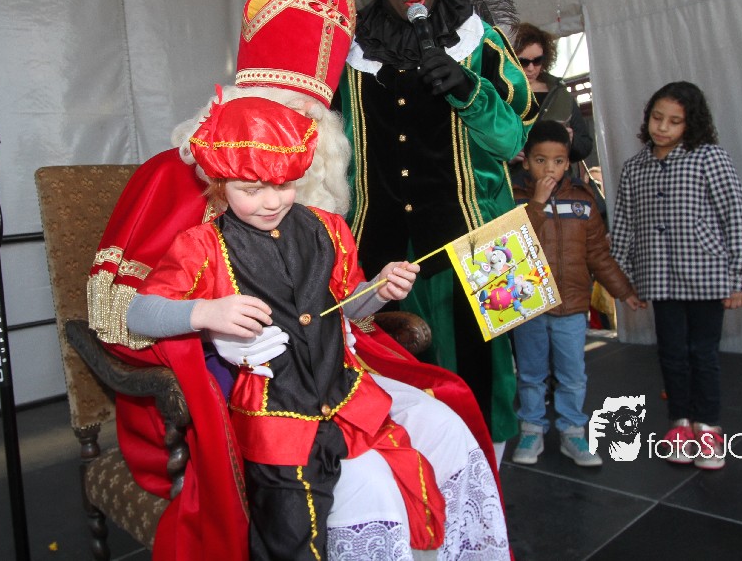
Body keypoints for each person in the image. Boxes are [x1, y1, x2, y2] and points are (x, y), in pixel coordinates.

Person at [87, 0, 509, 559]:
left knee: (444, 426)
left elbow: (340, 300)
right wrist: (213, 335)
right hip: (233, 388)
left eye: (296, 139)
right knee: (353, 487)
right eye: (253, 172)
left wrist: (372, 295)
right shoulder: (175, 189)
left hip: (332, 368)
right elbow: (122, 311)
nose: (271, 189)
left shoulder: (320, 221)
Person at [127, 95, 510, 560]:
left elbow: (350, 307)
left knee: (421, 452)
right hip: (275, 415)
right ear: (218, 184)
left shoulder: (327, 228)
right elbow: (138, 313)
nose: (272, 201)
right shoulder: (201, 246)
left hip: (345, 392)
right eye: (251, 189)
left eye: (284, 184)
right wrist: (206, 315)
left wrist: (379, 290)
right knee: (296, 528)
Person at [338, 0, 538, 457]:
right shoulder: (348, 55)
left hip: (486, 238)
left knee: (489, 373)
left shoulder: (481, 41)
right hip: (381, 246)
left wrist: (470, 92)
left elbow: (512, 142)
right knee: (396, 371)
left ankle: (490, 478)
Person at [611, 81, 742, 470]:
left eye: (674, 121)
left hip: (707, 274)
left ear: (691, 124)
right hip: (658, 277)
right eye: (657, 118)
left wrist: (739, 277)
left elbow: (735, 216)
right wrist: (622, 281)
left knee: (702, 354)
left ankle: (708, 427)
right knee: (671, 354)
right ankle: (680, 423)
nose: (663, 127)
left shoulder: (709, 158)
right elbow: (623, 226)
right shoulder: (634, 168)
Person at [509, 120, 642, 467]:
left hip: (572, 306)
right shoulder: (515, 198)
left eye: (557, 161)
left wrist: (623, 290)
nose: (549, 169)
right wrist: (537, 204)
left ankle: (572, 431)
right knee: (531, 374)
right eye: (540, 160)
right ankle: (531, 429)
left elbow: (598, 254)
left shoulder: (583, 201)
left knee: (572, 374)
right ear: (526, 162)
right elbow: (511, 247)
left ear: (567, 163)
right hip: (529, 306)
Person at [511, 22, 594, 162]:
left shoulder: (559, 92)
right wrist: (504, 158)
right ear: (510, 60)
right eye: (523, 62)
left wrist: (571, 140)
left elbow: (585, 146)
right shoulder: (498, 94)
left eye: (537, 61)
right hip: (514, 175)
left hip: (556, 174)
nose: (531, 68)